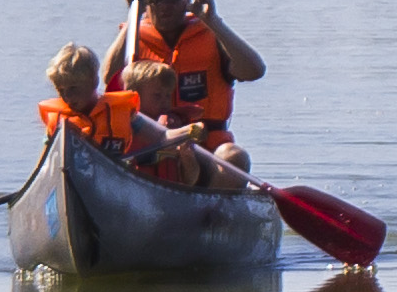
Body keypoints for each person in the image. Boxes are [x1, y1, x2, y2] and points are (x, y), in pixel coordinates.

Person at [107, 0, 264, 178]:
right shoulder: (133, 37)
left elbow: (254, 70)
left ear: (185, 1)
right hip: (150, 148)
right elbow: (110, 78)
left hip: (205, 148)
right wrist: (133, 16)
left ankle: (209, 206)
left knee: (234, 156)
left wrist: (213, 20)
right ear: (145, 3)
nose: (164, 5)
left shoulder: (210, 35)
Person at [45, 39, 246, 195]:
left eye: (73, 88)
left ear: (93, 81)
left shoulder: (123, 113)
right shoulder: (59, 120)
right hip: (84, 189)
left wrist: (187, 132)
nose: (67, 97)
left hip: (121, 192)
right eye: (60, 89)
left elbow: (161, 137)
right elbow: (44, 166)